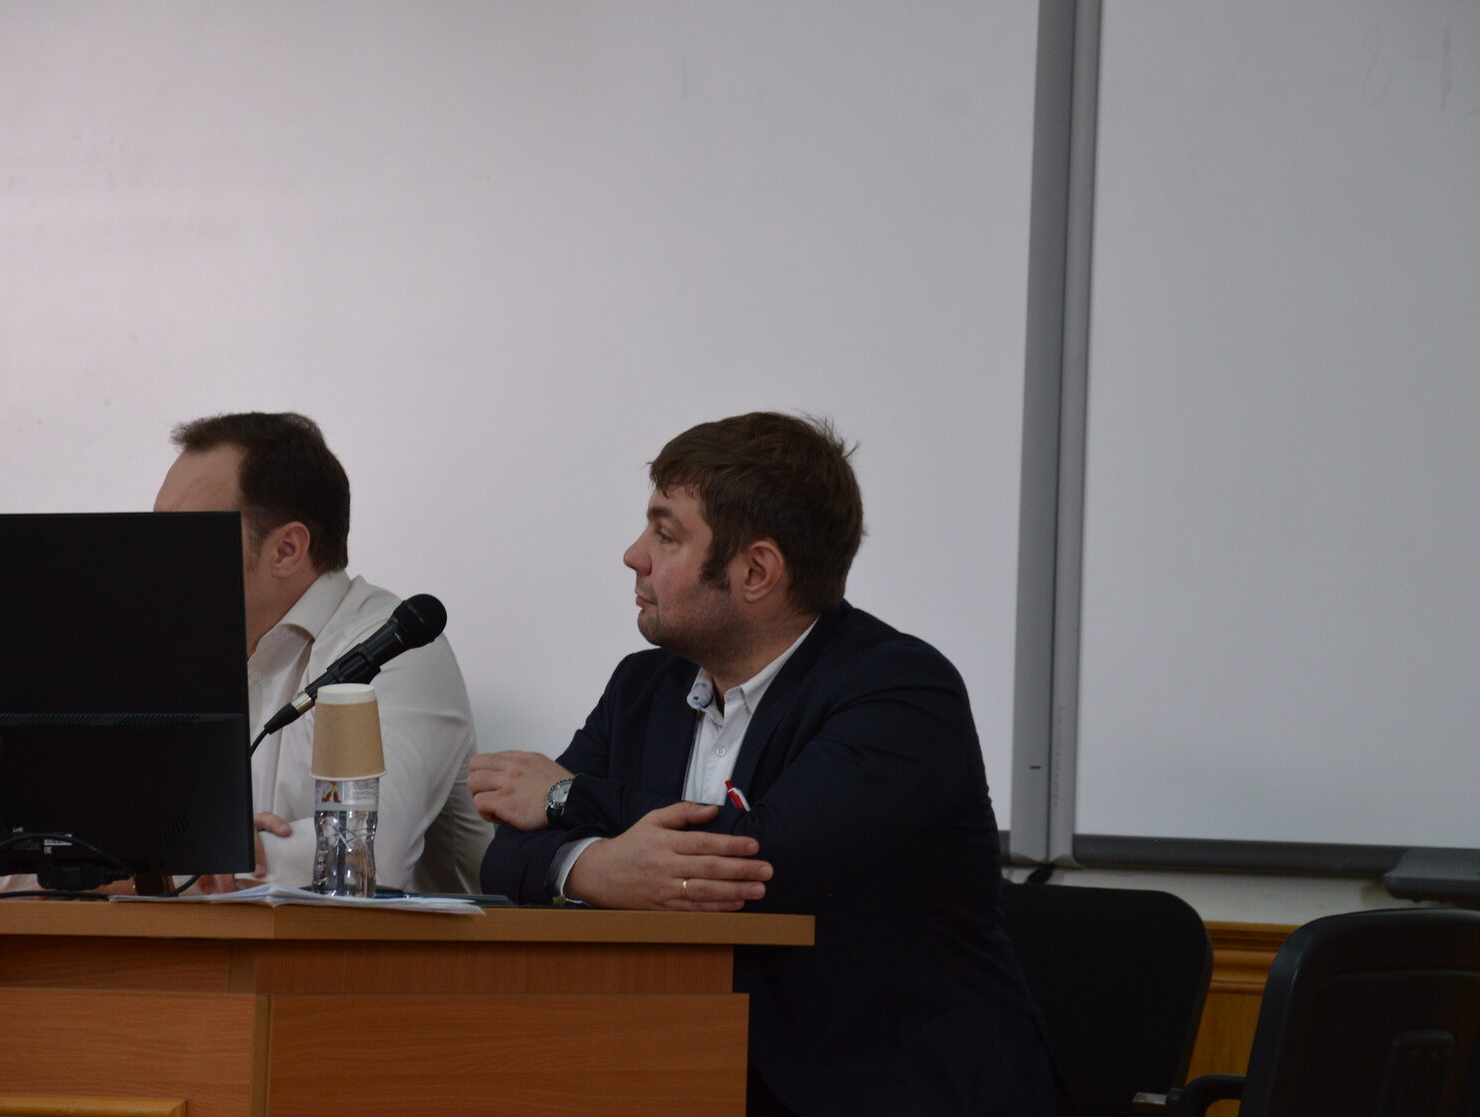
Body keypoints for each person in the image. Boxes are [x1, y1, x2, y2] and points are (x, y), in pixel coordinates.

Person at [473, 412, 1058, 1116]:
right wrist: (596, 867)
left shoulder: (900, 688)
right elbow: (507, 853)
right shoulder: (642, 687)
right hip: (687, 1070)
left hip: (885, 1086)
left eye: (666, 534)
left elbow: (762, 857)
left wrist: (568, 798)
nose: (634, 555)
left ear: (755, 571)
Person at [152, 411, 489, 893]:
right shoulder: (176, 654)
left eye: (185, 535)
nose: (158, 558)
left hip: (385, 942)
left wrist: (196, 856)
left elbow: (367, 857)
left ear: (286, 550)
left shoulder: (395, 648)